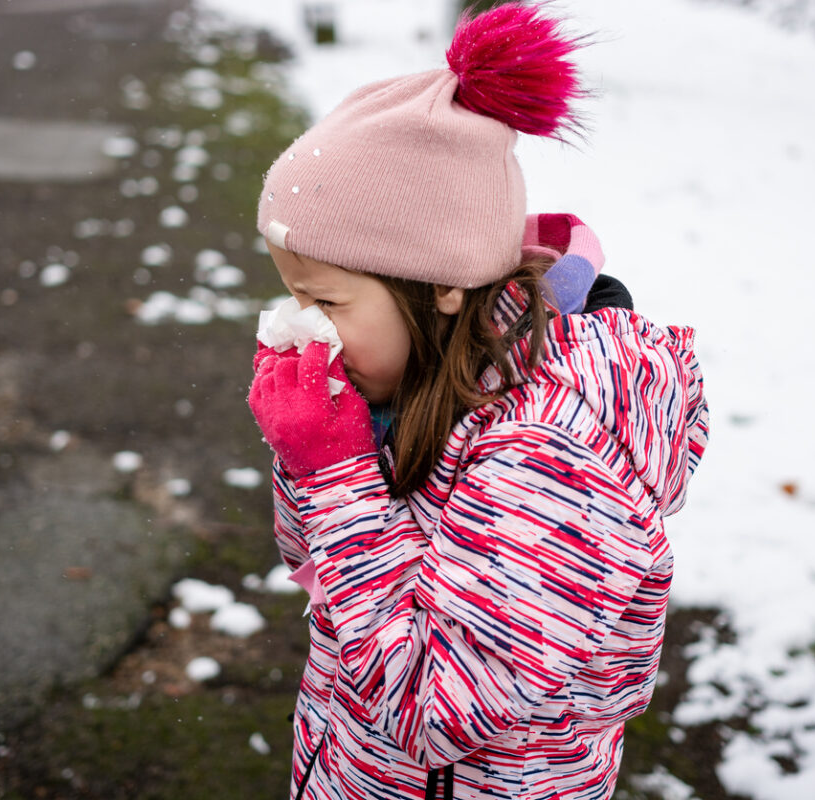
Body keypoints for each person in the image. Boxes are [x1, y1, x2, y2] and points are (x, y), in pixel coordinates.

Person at [246, 4, 709, 799]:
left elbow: (435, 708)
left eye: (326, 300)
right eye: (293, 296)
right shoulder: (403, 380)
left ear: (444, 288)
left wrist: (333, 475)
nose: (303, 327)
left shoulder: (552, 454)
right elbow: (314, 565)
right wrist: (311, 451)